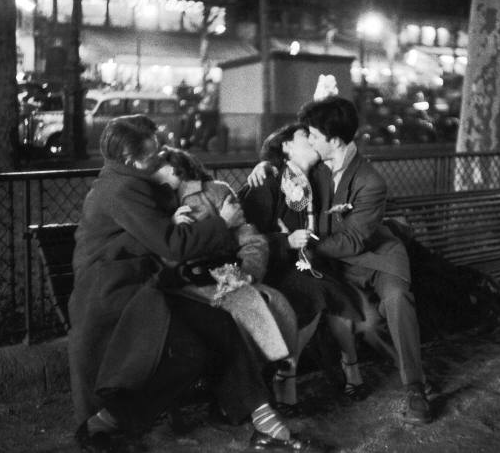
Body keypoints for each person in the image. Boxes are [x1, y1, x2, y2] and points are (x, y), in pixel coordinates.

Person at [67, 114, 322, 452]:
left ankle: (268, 426)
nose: (162, 156)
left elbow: (171, 238)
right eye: (153, 153)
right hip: (115, 294)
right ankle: (103, 423)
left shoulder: (133, 182)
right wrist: (221, 223)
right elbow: (172, 244)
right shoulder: (121, 189)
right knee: (193, 348)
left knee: (218, 324)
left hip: (147, 286)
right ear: (130, 160)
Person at [248, 97, 434, 425]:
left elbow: (352, 241)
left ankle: (415, 388)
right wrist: (266, 164)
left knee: (395, 300)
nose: (310, 139)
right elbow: (284, 166)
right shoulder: (315, 167)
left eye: (314, 135)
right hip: (336, 265)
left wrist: (303, 246)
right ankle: (332, 372)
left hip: (375, 257)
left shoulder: (369, 181)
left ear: (333, 141)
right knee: (367, 323)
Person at [240, 122, 368, 417]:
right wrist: (285, 240)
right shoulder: (268, 182)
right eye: (304, 136)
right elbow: (245, 238)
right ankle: (289, 377)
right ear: (286, 146)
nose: (312, 140)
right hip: (276, 268)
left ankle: (347, 369)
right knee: (320, 290)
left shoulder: (320, 178)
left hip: (313, 262)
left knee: (328, 288)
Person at [150, 145, 298, 364]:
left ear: (175, 168)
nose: (150, 173)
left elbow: (251, 240)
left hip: (222, 275)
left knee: (271, 302)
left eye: (157, 166)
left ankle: (274, 373)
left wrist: (248, 272)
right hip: (180, 283)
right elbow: (161, 250)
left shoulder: (214, 192)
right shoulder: (149, 203)